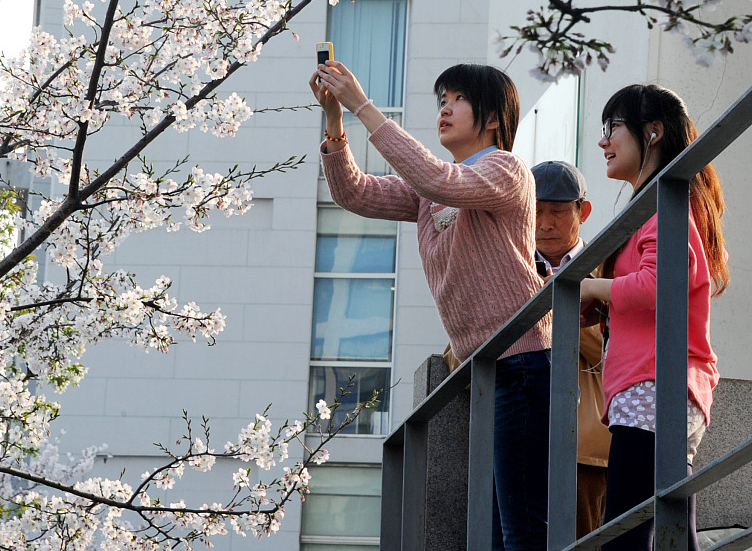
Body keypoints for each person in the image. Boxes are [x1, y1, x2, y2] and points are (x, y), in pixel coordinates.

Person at [310, 60, 550, 551]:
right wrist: (336, 121)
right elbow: (355, 193)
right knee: (492, 526)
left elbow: (438, 180)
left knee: (519, 526)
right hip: (482, 367)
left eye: (458, 99)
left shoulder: (505, 169)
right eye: (443, 98)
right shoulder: (433, 192)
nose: (445, 107)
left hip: (522, 359)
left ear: (493, 119)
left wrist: (363, 105)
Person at [580, 84, 728, 551]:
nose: (604, 141)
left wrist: (591, 287)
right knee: (664, 529)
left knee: (626, 533)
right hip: (651, 385)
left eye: (613, 128)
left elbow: (660, 283)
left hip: (654, 384)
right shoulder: (656, 207)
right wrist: (596, 299)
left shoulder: (665, 206)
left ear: (654, 132)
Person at [531, 160, 612, 544]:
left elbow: (616, 345)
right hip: (518, 439)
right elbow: (459, 352)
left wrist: (553, 308)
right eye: (535, 210)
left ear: (584, 211)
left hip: (585, 448)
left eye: (558, 211)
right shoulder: (508, 268)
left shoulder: (608, 266)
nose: (544, 223)